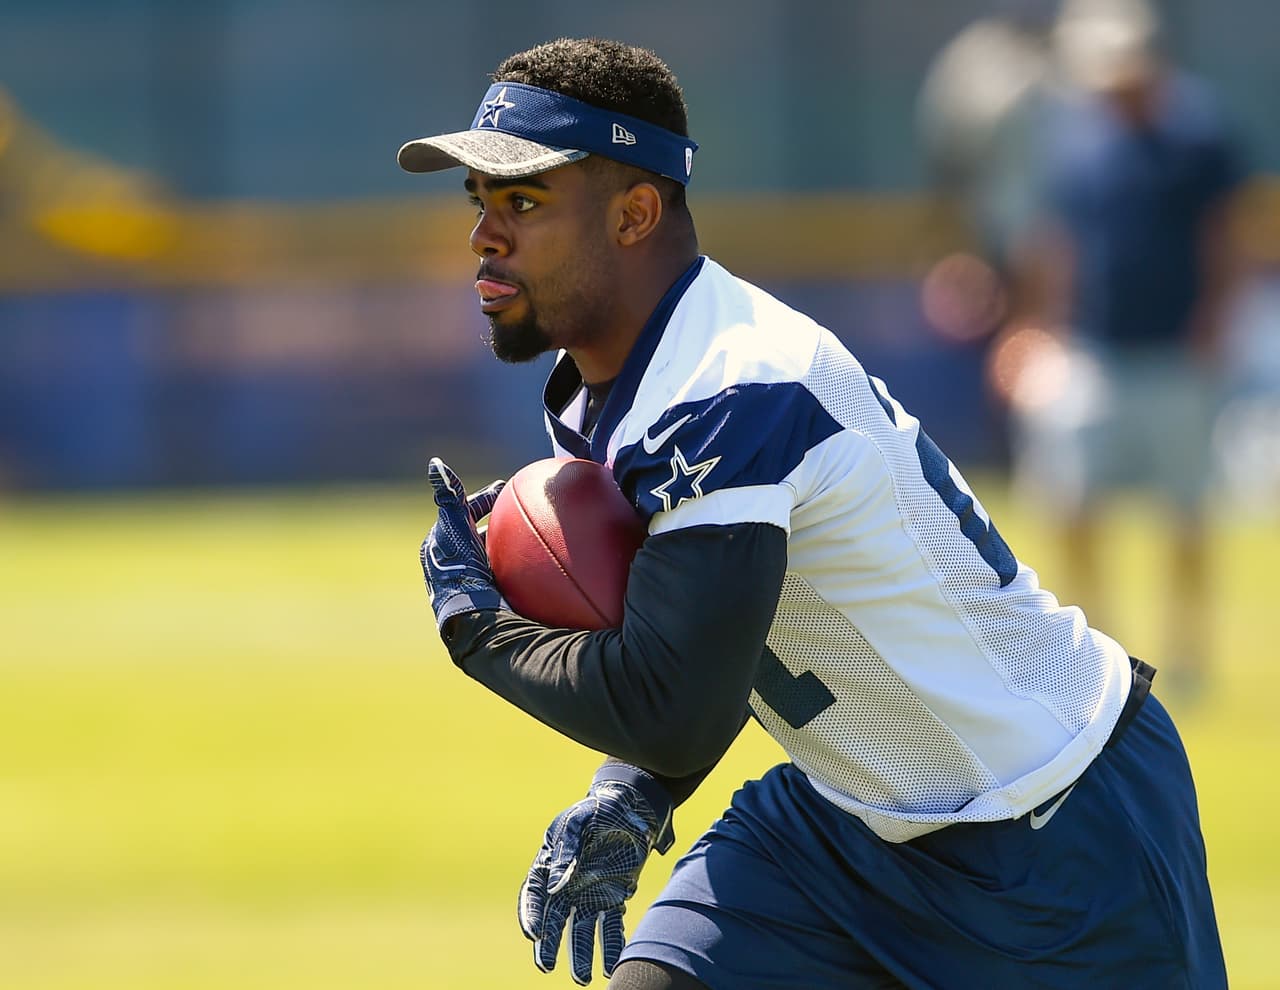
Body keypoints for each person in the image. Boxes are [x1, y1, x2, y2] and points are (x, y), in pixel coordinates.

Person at [405, 38, 1225, 989]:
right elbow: (704, 642)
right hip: (845, 828)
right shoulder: (615, 396)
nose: (484, 235)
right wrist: (629, 797)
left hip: (1057, 825)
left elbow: (670, 706)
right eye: (481, 203)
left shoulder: (732, 391)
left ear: (635, 213)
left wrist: (479, 631)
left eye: (525, 200)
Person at [1004, 0, 1248, 695]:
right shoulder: (1076, 142)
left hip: (1175, 351)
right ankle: (1096, 648)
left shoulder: (1200, 139)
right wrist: (1032, 328)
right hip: (1090, 349)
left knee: (1187, 506)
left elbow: (1226, 233)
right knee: (1070, 497)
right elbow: (1056, 244)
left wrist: (1218, 314)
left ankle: (1189, 653)